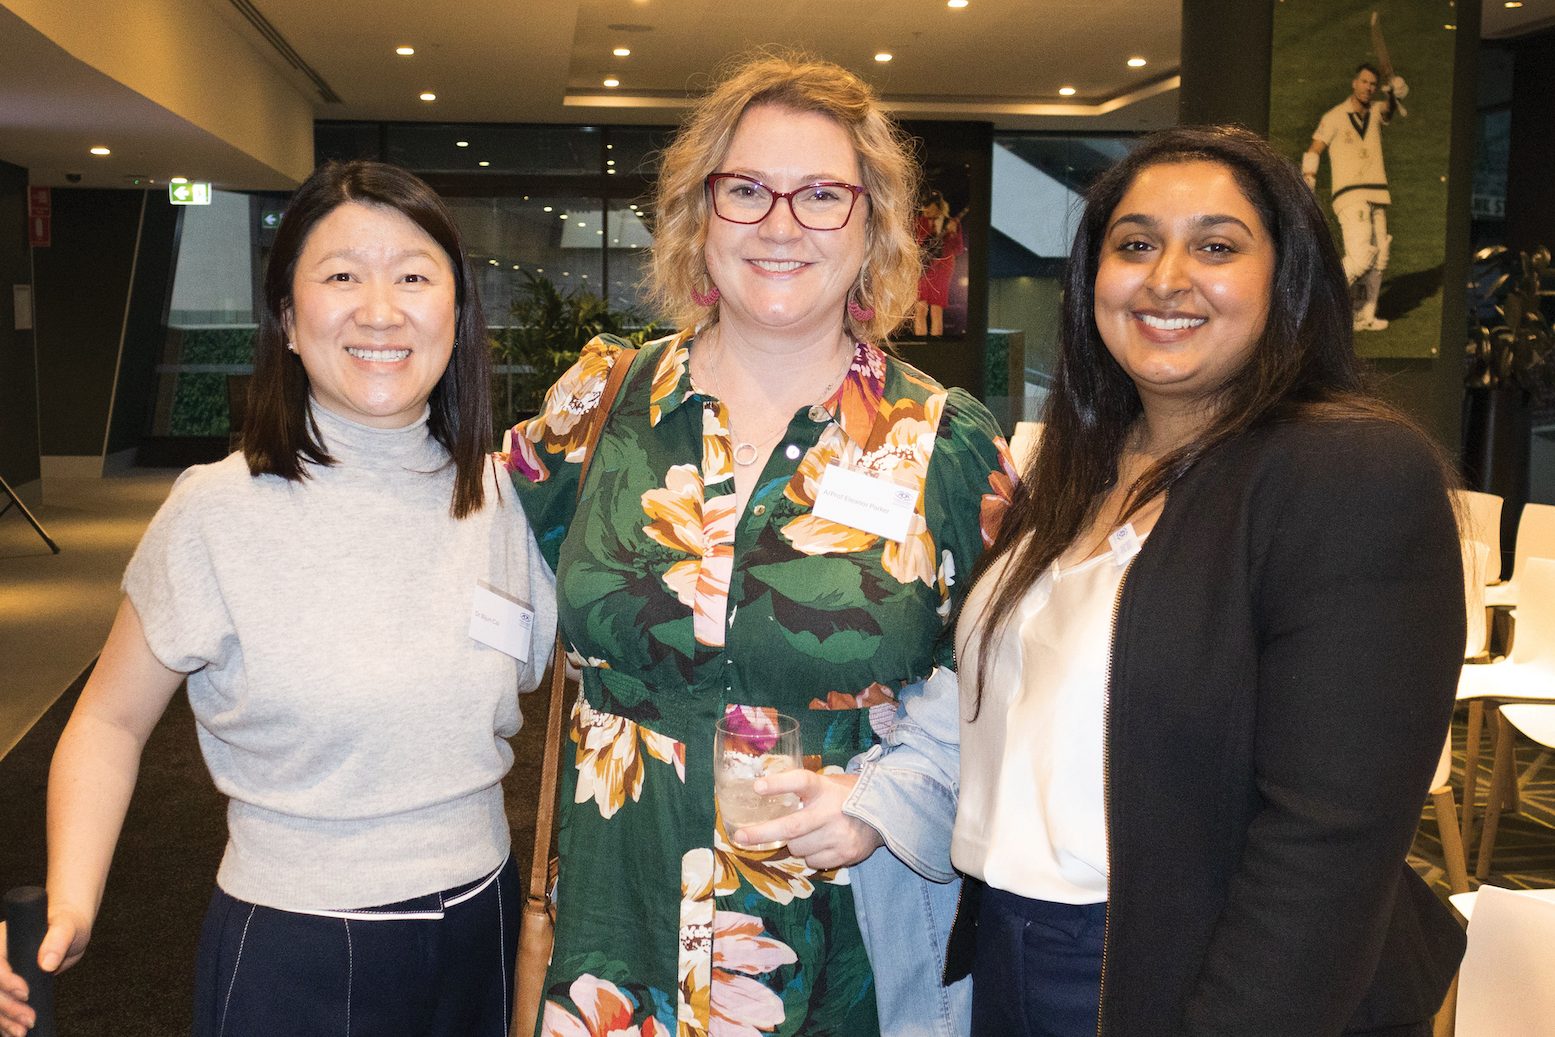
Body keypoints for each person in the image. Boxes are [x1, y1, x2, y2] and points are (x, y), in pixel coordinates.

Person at [504, 53, 1013, 1037]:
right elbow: (454, 548)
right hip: (621, 936)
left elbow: (1008, 689)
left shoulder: (942, 441)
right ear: (699, 216)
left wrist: (885, 804)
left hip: (845, 944)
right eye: (745, 190)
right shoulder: (602, 403)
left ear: (871, 225)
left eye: (822, 194)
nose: (780, 224)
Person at [0, 161, 556, 1037]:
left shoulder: (505, 499)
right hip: (298, 944)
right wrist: (72, 899)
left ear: (457, 311)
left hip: (482, 926)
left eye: (414, 275)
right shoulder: (217, 509)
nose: (380, 309)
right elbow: (108, 720)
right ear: (290, 321)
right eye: (341, 276)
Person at [948, 125, 1466, 1036]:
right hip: (1012, 943)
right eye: (1134, 244)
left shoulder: (1348, 471)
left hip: (1192, 968)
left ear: (1287, 279)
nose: (1165, 276)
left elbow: (1328, 839)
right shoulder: (1080, 470)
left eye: (1216, 246)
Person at [1304, 62, 1410, 332]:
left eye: (1373, 84)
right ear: (1354, 83)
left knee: (1380, 257)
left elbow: (1388, 110)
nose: (1368, 87)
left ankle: (1363, 316)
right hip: (1350, 194)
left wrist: (1393, 93)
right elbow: (1315, 149)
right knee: (1361, 257)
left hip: (1377, 193)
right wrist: (1308, 182)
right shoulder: (1335, 116)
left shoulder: (1375, 112)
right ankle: (1316, 305)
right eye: (1364, 82)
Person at [914, 190, 966, 337]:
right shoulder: (919, 221)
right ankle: (920, 340)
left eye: (928, 206)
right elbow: (914, 243)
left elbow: (958, 249)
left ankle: (935, 341)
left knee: (936, 309)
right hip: (924, 266)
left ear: (937, 206)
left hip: (943, 267)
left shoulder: (950, 222)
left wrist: (953, 233)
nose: (925, 210)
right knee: (920, 307)